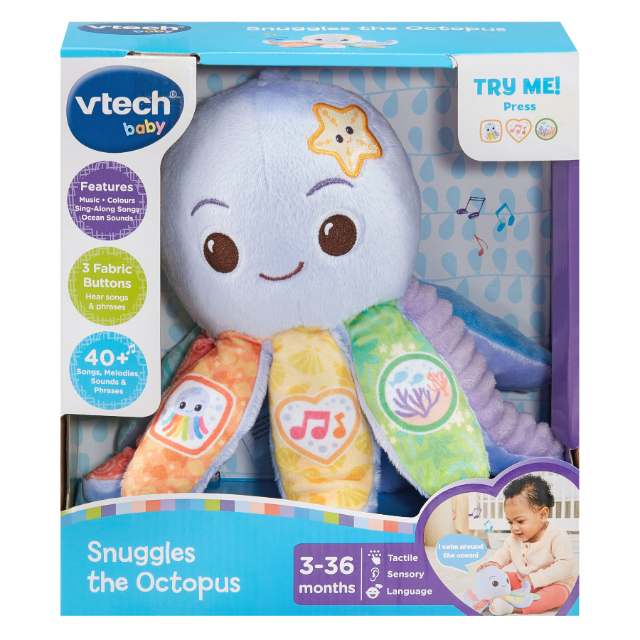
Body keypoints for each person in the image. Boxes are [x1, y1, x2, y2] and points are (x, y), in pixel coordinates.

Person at [476, 474, 575, 615]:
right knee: (499, 578)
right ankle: (490, 598)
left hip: (555, 583)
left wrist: (536, 579)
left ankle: (513, 608)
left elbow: (566, 565)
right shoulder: (514, 538)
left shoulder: (557, 536)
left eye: (520, 521)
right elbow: (504, 552)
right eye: (510, 522)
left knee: (557, 594)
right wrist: (494, 563)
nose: (514, 527)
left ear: (542, 515)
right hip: (523, 581)